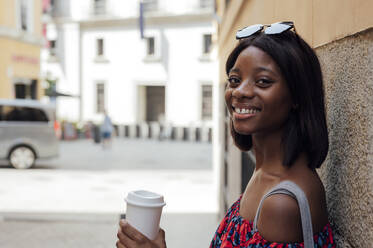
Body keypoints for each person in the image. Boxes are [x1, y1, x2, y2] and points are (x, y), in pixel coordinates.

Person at [116, 21, 336, 247]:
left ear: (297, 95)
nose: (240, 91)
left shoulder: (281, 205)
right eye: (234, 80)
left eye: (263, 81)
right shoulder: (266, 172)